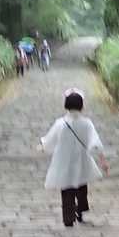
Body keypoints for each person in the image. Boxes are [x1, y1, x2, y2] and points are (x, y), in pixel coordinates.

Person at [41, 88, 108, 228]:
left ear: (66, 105)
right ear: (82, 106)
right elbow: (96, 142)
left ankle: (68, 218)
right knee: (81, 185)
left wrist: (43, 146)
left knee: (66, 188)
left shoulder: (60, 123)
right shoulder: (87, 123)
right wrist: (103, 160)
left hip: (63, 160)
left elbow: (49, 140)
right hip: (82, 159)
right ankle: (80, 210)